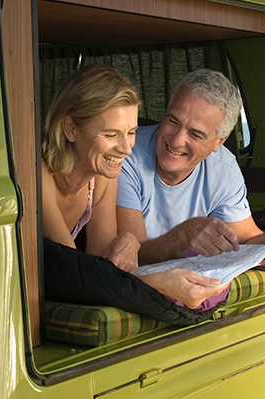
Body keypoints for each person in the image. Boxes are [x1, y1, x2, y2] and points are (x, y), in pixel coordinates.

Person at [41, 64, 227, 308]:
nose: (127, 148)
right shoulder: (37, 172)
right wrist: (155, 282)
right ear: (71, 129)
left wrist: (129, 239)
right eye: (110, 134)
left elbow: (101, 261)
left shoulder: (102, 178)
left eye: (131, 132)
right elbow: (75, 273)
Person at [116, 68, 265, 264]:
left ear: (218, 142)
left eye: (195, 134)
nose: (177, 140)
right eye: (173, 122)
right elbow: (134, 252)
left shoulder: (224, 169)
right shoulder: (125, 153)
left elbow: (246, 241)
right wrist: (184, 234)